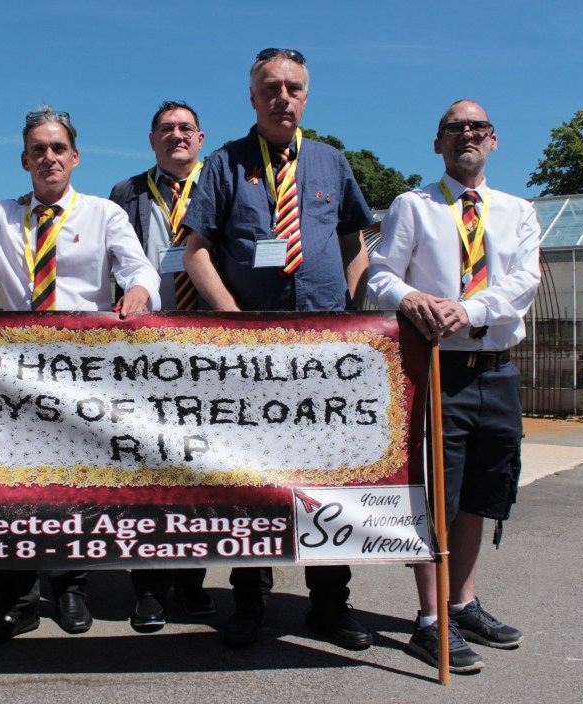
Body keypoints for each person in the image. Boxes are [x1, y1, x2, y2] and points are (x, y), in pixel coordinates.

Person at [181, 48, 374, 651]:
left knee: (328, 480)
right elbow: (196, 251)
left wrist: (357, 316)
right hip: (252, 359)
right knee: (252, 482)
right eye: (271, 87)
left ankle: (330, 604)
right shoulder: (225, 164)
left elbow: (354, 243)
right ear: (253, 97)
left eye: (293, 87)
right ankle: (248, 601)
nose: (282, 97)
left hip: (324, 359)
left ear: (306, 97)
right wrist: (234, 323)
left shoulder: (331, 163)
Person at [0, 105, 161, 649]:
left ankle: (73, 588)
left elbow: (137, 266)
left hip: (84, 372)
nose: (48, 157)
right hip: (14, 374)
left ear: (75, 157)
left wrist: (139, 292)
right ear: (24, 159)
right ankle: (16, 604)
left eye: (58, 148)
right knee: (10, 488)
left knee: (74, 483)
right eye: (38, 149)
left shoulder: (102, 213)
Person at [368, 100, 540, 673]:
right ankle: (429, 619)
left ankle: (463, 603)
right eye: (454, 128)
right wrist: (411, 298)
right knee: (437, 494)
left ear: (494, 141)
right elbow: (381, 275)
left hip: (497, 369)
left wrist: (470, 309)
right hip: (438, 369)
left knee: (481, 496)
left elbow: (523, 283)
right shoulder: (412, 206)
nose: (466, 134)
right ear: (437, 143)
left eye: (477, 127)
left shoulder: (518, 211)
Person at [109, 101, 215, 633]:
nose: (176, 136)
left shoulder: (222, 183)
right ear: (151, 140)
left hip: (209, 347)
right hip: (147, 352)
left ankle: (193, 583)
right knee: (147, 472)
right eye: (165, 129)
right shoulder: (126, 192)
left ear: (200, 138)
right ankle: (148, 587)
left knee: (200, 470)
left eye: (185, 129)